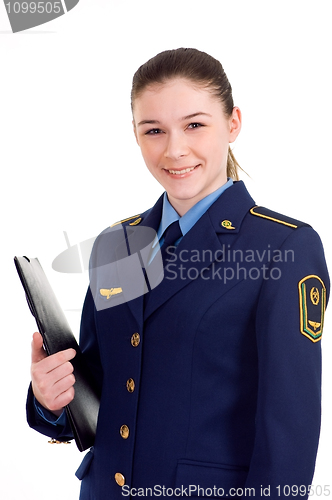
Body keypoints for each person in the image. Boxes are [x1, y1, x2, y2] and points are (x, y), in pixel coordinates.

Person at [27, 48, 330, 500]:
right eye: (153, 130)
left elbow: (289, 433)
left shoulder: (282, 247)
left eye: (194, 125)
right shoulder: (119, 244)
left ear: (233, 124)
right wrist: (50, 399)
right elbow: (104, 387)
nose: (174, 149)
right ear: (135, 135)